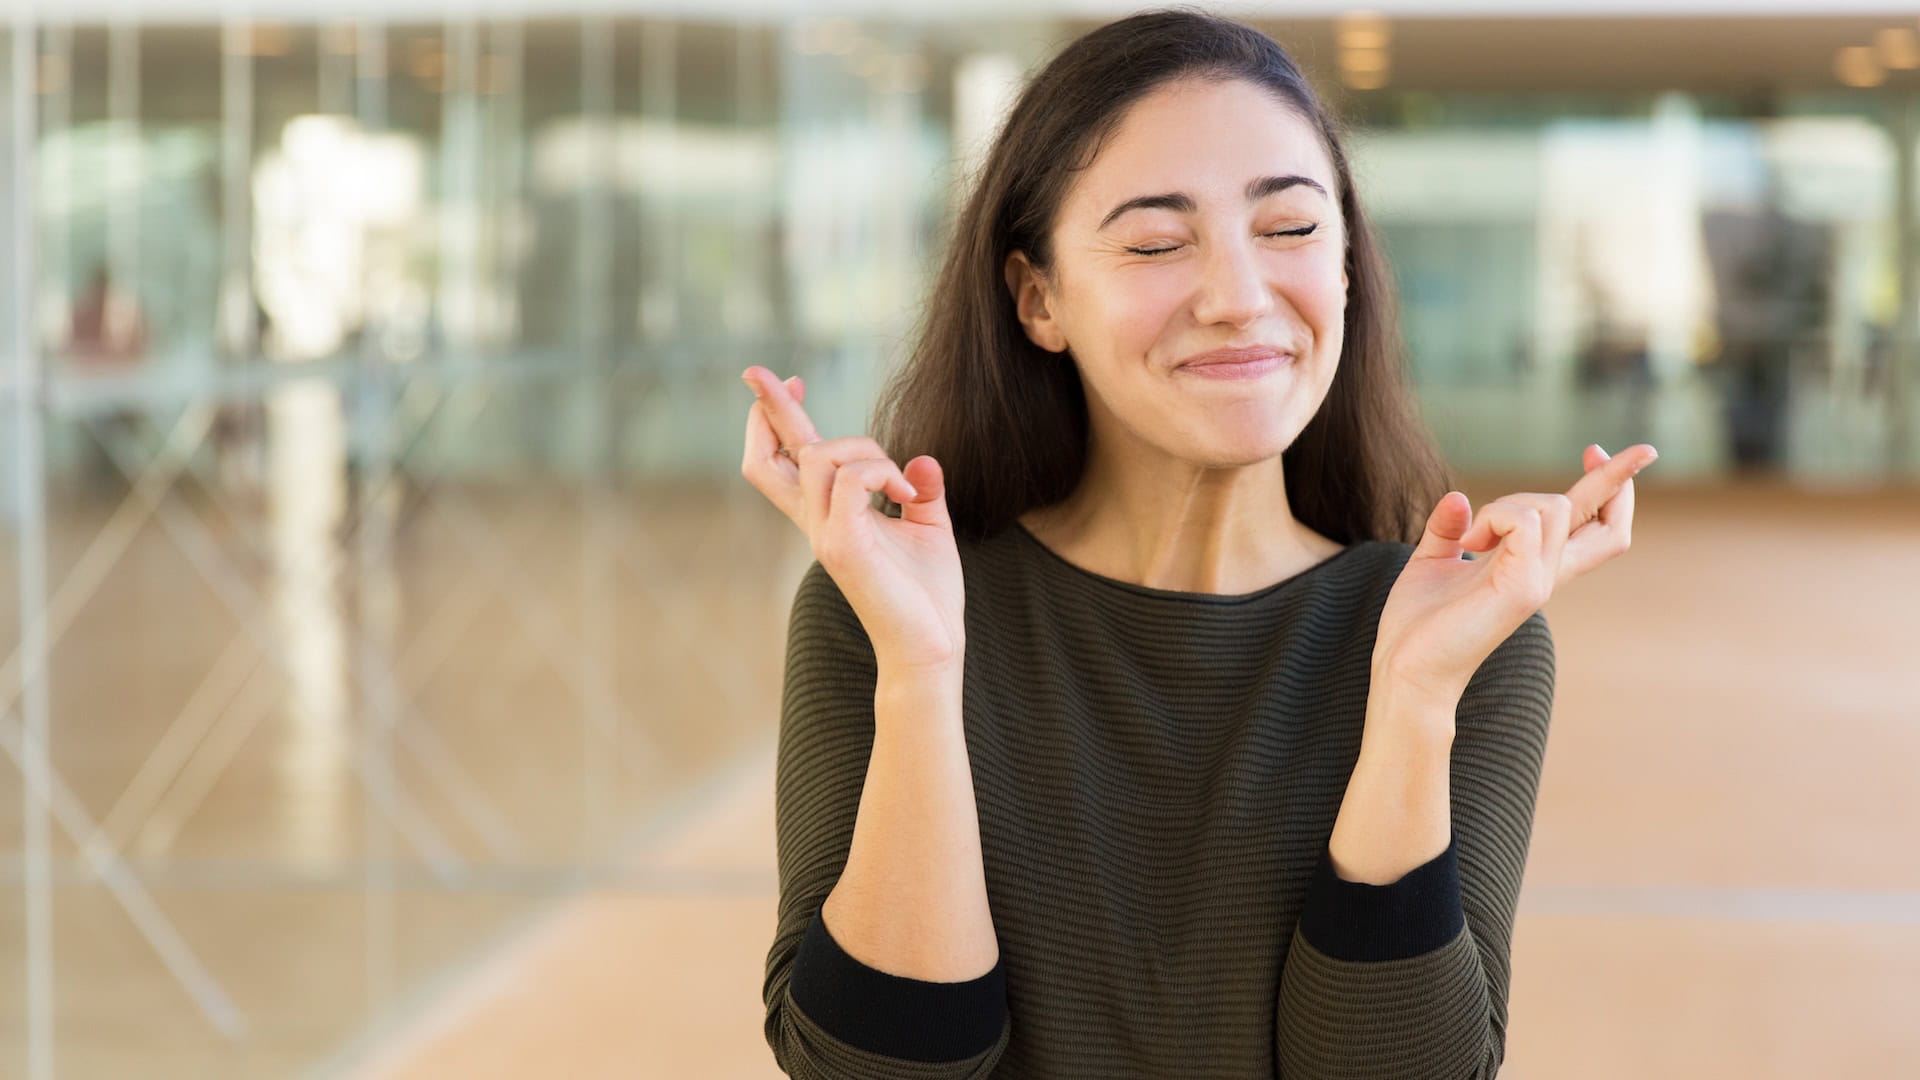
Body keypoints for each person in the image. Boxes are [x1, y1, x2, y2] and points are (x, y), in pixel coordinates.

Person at [739, 10, 1657, 1078]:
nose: (1239, 298)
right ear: (1039, 299)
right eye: (1157, 243)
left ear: (1350, 269)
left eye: (1292, 230)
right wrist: (924, 669)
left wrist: (1410, 703)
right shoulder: (888, 610)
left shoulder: (1463, 636)